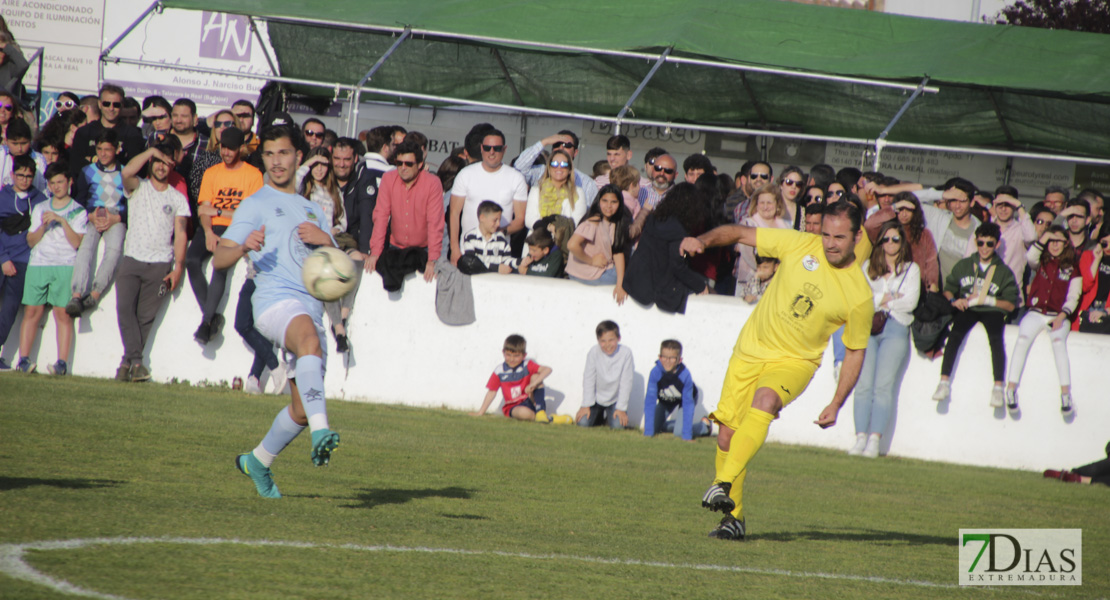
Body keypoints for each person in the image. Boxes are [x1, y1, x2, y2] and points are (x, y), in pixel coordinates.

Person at [678, 200, 874, 541]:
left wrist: (836, 402)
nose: (829, 243)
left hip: (795, 363)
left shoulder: (859, 294)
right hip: (750, 350)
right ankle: (733, 520)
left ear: (857, 237)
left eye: (839, 237)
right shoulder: (800, 243)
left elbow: (856, 352)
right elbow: (739, 232)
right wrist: (704, 240)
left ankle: (721, 482)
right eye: (826, 234)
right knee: (726, 435)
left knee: (765, 400)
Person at [217, 125, 341, 499]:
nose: (276, 162)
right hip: (273, 302)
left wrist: (328, 240)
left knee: (301, 409)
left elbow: (335, 270)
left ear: (298, 157)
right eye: (269, 154)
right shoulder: (254, 204)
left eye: (283, 153)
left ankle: (258, 461)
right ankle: (323, 433)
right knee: (307, 343)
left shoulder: (314, 209)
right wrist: (241, 248)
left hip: (309, 308)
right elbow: (221, 258)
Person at [113, 145, 189, 382]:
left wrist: (178, 267)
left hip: (159, 264)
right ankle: (136, 362)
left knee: (144, 317)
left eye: (166, 163)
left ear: (172, 167)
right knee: (125, 310)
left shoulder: (177, 198)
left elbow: (181, 233)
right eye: (157, 161)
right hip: (132, 259)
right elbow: (125, 174)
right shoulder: (138, 187)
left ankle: (127, 365)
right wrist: (152, 151)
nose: (160, 166)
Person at [849, 221, 920, 458]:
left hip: (897, 327)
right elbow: (859, 299)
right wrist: (886, 296)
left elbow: (910, 303)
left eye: (895, 239)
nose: (890, 243)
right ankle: (860, 437)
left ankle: (874, 440)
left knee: (883, 387)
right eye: (886, 239)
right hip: (869, 327)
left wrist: (877, 299)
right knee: (863, 384)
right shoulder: (869, 266)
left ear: (902, 242)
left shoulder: (911, 269)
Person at [188, 127, 263, 344]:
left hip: (237, 228)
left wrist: (220, 212)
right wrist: (209, 231)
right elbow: (203, 210)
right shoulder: (212, 172)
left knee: (219, 267)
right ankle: (210, 317)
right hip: (211, 226)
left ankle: (206, 322)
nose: (226, 152)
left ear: (240, 148)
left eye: (231, 148)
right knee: (192, 261)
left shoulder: (253, 175)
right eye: (223, 147)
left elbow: (250, 214)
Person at [932, 222, 1019, 407]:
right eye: (981, 243)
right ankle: (943, 382)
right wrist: (953, 301)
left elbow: (1011, 304)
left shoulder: (1003, 271)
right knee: (954, 336)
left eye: (989, 243)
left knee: (996, 340)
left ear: (996, 245)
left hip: (992, 311)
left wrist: (987, 300)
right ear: (975, 242)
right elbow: (949, 289)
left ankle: (997, 388)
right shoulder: (964, 265)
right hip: (968, 308)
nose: (984, 248)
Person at [15, 163, 86, 375]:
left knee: (62, 314)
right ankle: (23, 360)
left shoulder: (79, 211)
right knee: (31, 311)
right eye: (52, 183)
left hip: (65, 265)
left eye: (60, 182)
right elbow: (31, 240)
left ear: (69, 182)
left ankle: (61, 364)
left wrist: (62, 221)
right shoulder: (40, 208)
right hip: (39, 264)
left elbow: (77, 243)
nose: (56, 187)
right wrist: (44, 226)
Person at [1004, 226, 1081, 415]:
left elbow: (1074, 296)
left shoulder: (1072, 268)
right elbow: (1030, 257)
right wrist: (1044, 237)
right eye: (1051, 241)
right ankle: (1011, 388)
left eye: (1059, 241)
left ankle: (1065, 394)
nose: (1055, 245)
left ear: (1066, 244)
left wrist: (1062, 316)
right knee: (1022, 339)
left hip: (1058, 314)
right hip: (1036, 311)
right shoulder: (1040, 261)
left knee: (1058, 342)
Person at [366, 140, 444, 292]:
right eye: (399, 163)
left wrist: (433, 259)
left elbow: (435, 223)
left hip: (424, 249)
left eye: (408, 164)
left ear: (420, 164)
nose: (403, 168)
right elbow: (381, 216)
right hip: (395, 247)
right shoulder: (389, 179)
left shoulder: (432, 183)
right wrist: (375, 252)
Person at [66, 129, 128, 317]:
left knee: (115, 249)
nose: (102, 154)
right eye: (99, 149)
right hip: (93, 215)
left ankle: (95, 293)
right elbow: (80, 200)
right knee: (86, 249)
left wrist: (118, 218)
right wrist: (90, 216)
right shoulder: (87, 171)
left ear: (117, 149)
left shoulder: (126, 172)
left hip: (116, 216)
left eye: (107, 149)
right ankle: (76, 294)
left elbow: (131, 203)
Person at [622, 182, 709, 314]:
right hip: (659, 290)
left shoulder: (653, 219)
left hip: (636, 283)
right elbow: (677, 266)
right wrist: (700, 285)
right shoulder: (679, 230)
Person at [448, 129, 528, 265]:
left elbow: (520, 220)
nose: (491, 152)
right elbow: (454, 213)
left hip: (498, 255)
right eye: (487, 148)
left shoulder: (516, 177)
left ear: (504, 149)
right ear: (481, 149)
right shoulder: (465, 174)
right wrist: (455, 249)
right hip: (467, 252)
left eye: (496, 148)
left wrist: (496, 233)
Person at [0, 155, 46, 370]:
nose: (25, 180)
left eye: (29, 176)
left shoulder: (39, 199)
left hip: (23, 261)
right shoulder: (3, 196)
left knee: (9, 309)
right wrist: (3, 259)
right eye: (21, 175)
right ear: (12, 175)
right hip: (3, 257)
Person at [469, 334, 571, 424]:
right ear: (503, 353)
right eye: (508, 355)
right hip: (514, 407)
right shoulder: (499, 370)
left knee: (536, 377)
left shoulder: (527, 365)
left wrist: (533, 384)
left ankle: (540, 412)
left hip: (530, 401)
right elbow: (492, 392)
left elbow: (548, 369)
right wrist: (480, 412)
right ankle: (550, 419)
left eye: (516, 356)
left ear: (524, 355)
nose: (512, 359)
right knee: (523, 413)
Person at [565, 185, 632, 304]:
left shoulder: (615, 223)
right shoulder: (593, 221)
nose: (609, 206)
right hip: (586, 272)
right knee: (633, 279)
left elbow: (618, 252)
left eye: (613, 202)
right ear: (598, 201)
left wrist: (620, 285)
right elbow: (572, 245)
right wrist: (591, 261)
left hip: (598, 271)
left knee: (627, 274)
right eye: (604, 201)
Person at [68, 84, 145, 178]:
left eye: (116, 105)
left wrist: (92, 160)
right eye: (106, 104)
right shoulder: (84, 132)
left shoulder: (132, 134)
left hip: (119, 187)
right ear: (100, 104)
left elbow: (135, 168)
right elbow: (76, 165)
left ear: (122, 106)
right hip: (89, 187)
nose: (111, 108)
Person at [643, 339, 713, 441]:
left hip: (686, 400)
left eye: (672, 358)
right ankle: (679, 425)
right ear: (659, 357)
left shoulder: (685, 375)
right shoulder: (655, 373)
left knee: (679, 433)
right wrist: (648, 433)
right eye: (664, 357)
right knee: (653, 427)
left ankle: (704, 426)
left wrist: (687, 436)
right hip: (666, 399)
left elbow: (688, 405)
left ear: (679, 360)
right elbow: (650, 401)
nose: (667, 361)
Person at [511, 130, 598, 208]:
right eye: (557, 144)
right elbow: (518, 168)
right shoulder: (540, 172)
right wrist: (544, 142)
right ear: (552, 149)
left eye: (567, 145)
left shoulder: (588, 183)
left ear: (575, 152)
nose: (561, 148)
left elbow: (592, 214)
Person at [734, 182, 791, 291]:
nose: (765, 207)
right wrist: (764, 272)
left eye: (769, 203)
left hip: (778, 283)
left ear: (777, 204)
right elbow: (747, 254)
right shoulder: (748, 224)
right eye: (762, 203)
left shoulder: (787, 227)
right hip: (750, 282)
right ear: (756, 204)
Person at [577, 320, 634, 429]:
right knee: (582, 423)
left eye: (611, 340)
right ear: (598, 341)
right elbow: (588, 379)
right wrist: (586, 405)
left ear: (619, 338)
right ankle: (598, 417)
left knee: (618, 427)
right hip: (595, 398)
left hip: (615, 400)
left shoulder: (626, 353)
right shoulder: (593, 352)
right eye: (603, 341)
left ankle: (609, 418)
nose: (607, 345)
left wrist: (621, 408)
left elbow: (626, 382)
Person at [523, 148, 586, 231]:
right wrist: (549, 227)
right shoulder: (536, 190)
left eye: (564, 164)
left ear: (570, 170)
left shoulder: (578, 192)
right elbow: (529, 219)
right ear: (549, 167)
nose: (559, 167)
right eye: (554, 164)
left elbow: (577, 221)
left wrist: (557, 229)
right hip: (538, 239)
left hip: (564, 240)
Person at [457, 200, 517, 275]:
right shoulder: (470, 237)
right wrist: (496, 268)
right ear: (482, 218)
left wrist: (519, 262)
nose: (498, 224)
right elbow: (472, 263)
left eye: (499, 220)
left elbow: (507, 260)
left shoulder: (501, 239)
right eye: (495, 220)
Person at [1074, 221, 1110, 333]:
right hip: (1086, 310)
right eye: (1105, 243)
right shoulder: (1088, 256)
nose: (1108, 247)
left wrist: (1106, 311)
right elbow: (1084, 286)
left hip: (1107, 311)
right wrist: (1096, 260)